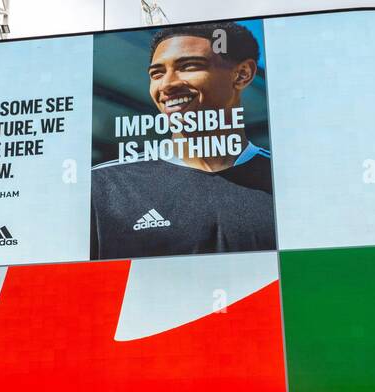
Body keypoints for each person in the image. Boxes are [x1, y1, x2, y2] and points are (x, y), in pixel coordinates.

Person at [90, 21, 274, 261]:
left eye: (188, 66)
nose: (167, 84)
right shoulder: (102, 186)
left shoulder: (288, 181)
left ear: (242, 74)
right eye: (157, 73)